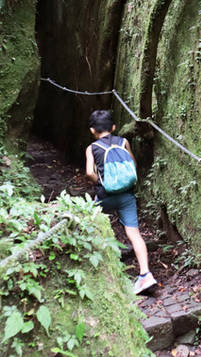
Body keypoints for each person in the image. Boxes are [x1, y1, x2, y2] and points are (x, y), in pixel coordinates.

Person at [85, 110, 157, 295]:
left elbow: (90, 173)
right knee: (134, 233)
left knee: (93, 227)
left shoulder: (92, 148)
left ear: (93, 130)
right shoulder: (123, 142)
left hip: (105, 197)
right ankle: (145, 274)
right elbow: (132, 164)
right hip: (126, 195)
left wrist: (102, 183)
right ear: (114, 127)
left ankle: (102, 272)